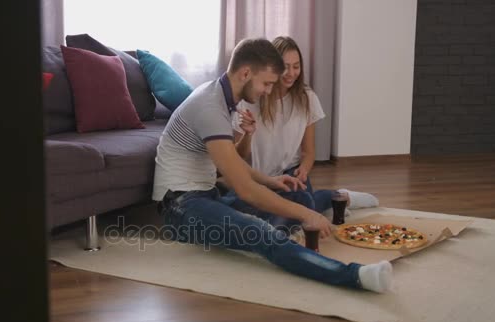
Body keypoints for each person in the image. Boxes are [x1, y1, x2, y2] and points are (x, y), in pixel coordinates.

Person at [153, 38, 392, 293]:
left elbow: (231, 163)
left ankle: (331, 201)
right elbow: (244, 189)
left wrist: (272, 182)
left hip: (207, 197)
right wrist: (306, 215)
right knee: (264, 232)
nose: (269, 91)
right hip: (180, 209)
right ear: (246, 73)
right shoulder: (210, 107)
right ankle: (355, 276)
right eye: (267, 83)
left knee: (297, 196)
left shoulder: (222, 100)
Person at [231, 36, 379, 221]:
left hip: (290, 176)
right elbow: (237, 157)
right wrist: (247, 134)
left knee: (293, 209)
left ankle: (341, 197)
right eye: (285, 66)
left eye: (296, 66)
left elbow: (308, 152)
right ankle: (331, 201)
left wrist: (303, 171)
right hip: (258, 179)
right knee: (253, 213)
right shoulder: (251, 98)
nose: (291, 73)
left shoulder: (306, 98)